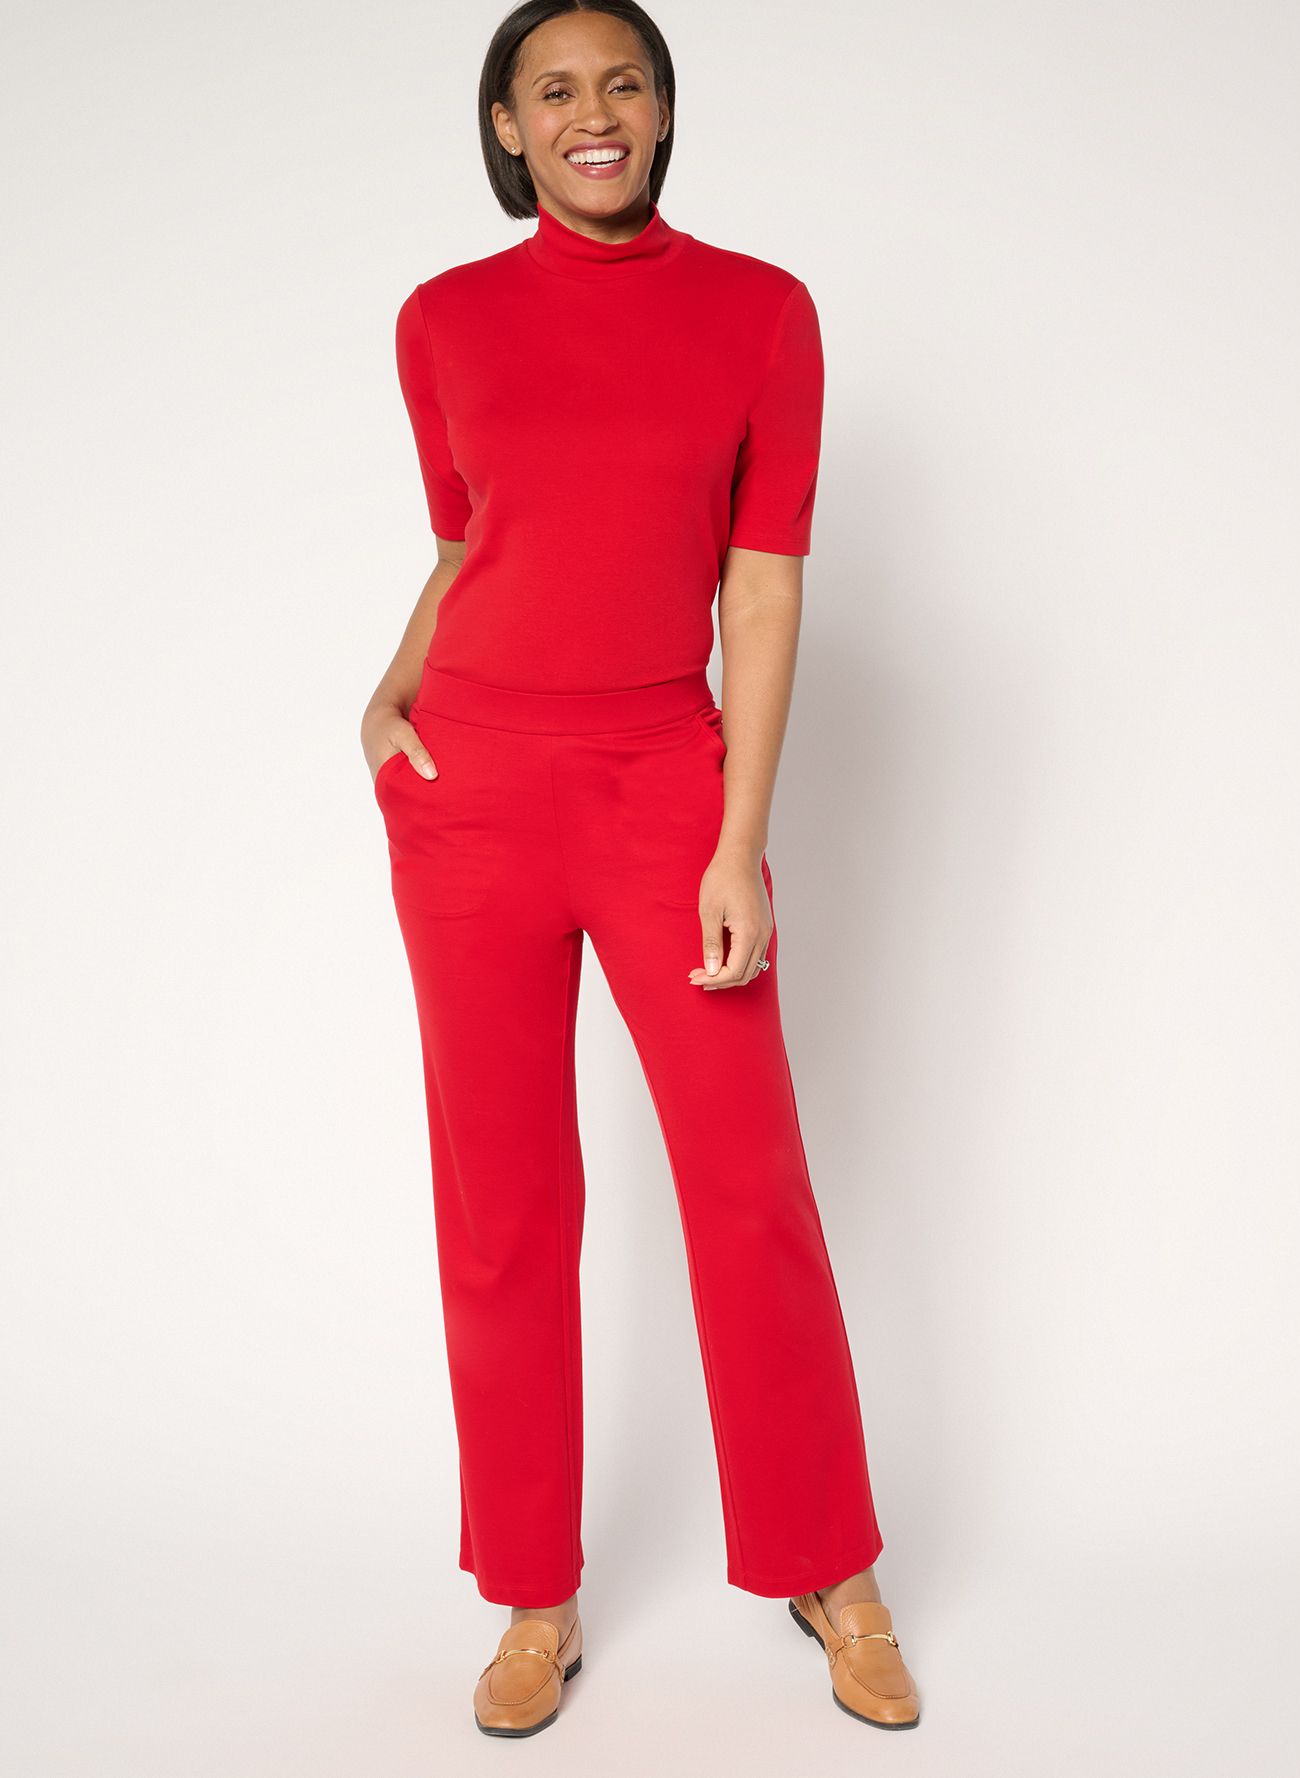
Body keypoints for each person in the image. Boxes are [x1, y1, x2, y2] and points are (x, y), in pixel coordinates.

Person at [360, 0, 920, 1736]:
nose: (590, 112)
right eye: (554, 89)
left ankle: (829, 1563)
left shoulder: (762, 312)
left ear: (664, 114)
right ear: (507, 127)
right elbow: (469, 541)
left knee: (748, 1180)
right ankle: (533, 1591)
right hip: (472, 788)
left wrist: (737, 836)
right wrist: (388, 693)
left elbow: (763, 583)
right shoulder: (442, 320)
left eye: (622, 83)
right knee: (503, 1203)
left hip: (665, 780)